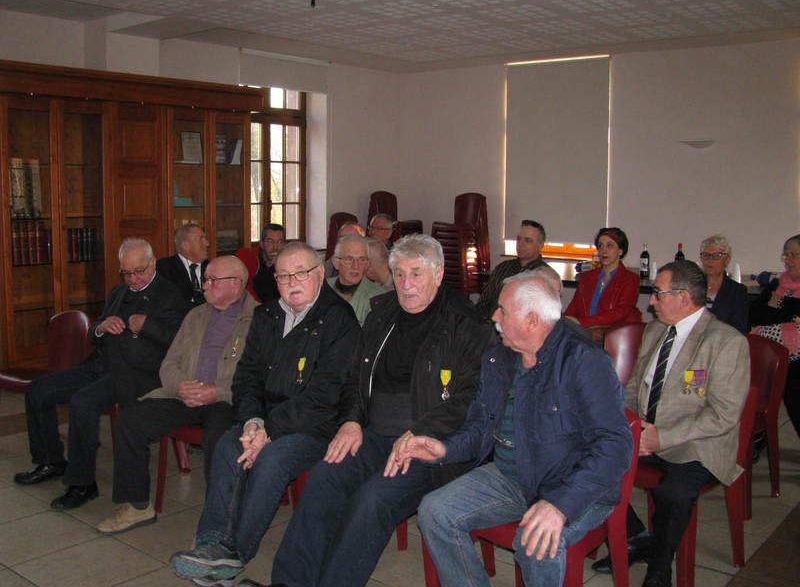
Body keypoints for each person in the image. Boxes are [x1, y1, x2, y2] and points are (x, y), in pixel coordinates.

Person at [266, 234, 496, 587]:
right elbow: (356, 378)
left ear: (438, 274)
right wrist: (351, 421)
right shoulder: (382, 314)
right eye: (399, 274)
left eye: (416, 274)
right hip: (374, 433)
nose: (406, 284)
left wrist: (421, 432)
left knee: (372, 500)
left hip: (428, 444)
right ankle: (289, 582)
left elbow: (470, 398)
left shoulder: (465, 323)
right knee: (325, 478)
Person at [392, 271, 632, 587]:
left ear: (531, 320)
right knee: (435, 511)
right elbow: (480, 426)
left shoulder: (583, 361)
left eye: (503, 310)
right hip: (511, 476)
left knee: (535, 543)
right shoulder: (499, 359)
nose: (494, 316)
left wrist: (560, 505)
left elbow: (614, 445)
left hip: (571, 483)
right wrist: (444, 449)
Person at [169, 242, 360, 586]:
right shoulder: (266, 315)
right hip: (266, 418)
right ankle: (212, 542)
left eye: (300, 273)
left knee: (272, 459)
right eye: (283, 275)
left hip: (316, 425)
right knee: (228, 444)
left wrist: (268, 431)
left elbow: (324, 395)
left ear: (320, 274)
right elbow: (246, 378)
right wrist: (253, 421)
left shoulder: (339, 319)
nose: (291, 282)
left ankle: (234, 554)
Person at [592, 260, 749, 587]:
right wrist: (625, 426)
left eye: (658, 294)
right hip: (648, 433)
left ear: (683, 297)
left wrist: (662, 438)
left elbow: (722, 414)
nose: (651, 301)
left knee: (673, 492)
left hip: (697, 442)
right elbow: (634, 388)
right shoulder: (655, 331)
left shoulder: (725, 342)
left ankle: (660, 569)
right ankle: (638, 538)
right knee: (586, 460)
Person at [14, 238, 187, 510]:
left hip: (135, 372)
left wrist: (147, 325)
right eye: (126, 272)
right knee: (38, 390)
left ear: (153, 263)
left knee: (82, 403)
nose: (133, 279)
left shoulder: (171, 295)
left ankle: (82, 483)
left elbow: (180, 341)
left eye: (139, 271)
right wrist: (101, 327)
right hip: (100, 364)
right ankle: (50, 461)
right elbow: (94, 336)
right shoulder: (118, 291)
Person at [96, 255, 257, 535]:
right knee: (130, 421)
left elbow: (258, 377)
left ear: (236, 283)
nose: (204, 286)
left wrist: (215, 391)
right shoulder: (195, 315)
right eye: (205, 279)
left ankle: (218, 527)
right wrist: (180, 386)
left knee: (221, 440)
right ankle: (137, 506)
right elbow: (169, 363)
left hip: (227, 400)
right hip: (184, 394)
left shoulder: (259, 319)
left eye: (212, 280)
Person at [750, 234, 800, 438]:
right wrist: (786, 312)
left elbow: (780, 314)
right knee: (754, 394)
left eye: (794, 255)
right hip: (772, 358)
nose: (788, 260)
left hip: (795, 362)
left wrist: (777, 305)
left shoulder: (778, 293)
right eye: (786, 255)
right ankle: (756, 439)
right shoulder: (777, 284)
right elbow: (756, 315)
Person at [564, 227, 642, 328]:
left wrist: (582, 322)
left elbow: (620, 312)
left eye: (609, 246)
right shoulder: (587, 276)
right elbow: (573, 307)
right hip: (583, 331)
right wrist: (565, 322)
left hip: (611, 333)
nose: (603, 251)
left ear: (620, 251)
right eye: (600, 246)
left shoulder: (630, 279)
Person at [476, 220, 549, 319]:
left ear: (541, 245)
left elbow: (544, 318)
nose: (520, 244)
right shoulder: (502, 268)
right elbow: (483, 303)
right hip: (490, 324)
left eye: (528, 241)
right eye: (519, 239)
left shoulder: (546, 276)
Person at [328, 235, 385, 325]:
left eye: (362, 260)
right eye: (349, 259)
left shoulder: (378, 298)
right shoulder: (321, 288)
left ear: (367, 264)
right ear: (336, 262)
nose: (356, 266)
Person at [699, 235, 748, 333]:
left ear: (727, 260)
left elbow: (739, 328)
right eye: (706, 255)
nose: (710, 260)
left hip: (722, 339)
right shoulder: (692, 286)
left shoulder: (737, 291)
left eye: (716, 256)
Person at [157, 223, 210, 307]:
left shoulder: (212, 267)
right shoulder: (165, 268)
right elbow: (170, 302)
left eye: (205, 239)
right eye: (201, 239)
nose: (207, 243)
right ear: (185, 245)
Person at [235, 223, 286, 303]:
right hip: (252, 306)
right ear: (261, 244)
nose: (275, 247)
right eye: (270, 241)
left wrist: (278, 267)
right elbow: (243, 287)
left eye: (280, 242)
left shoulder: (288, 263)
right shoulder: (249, 258)